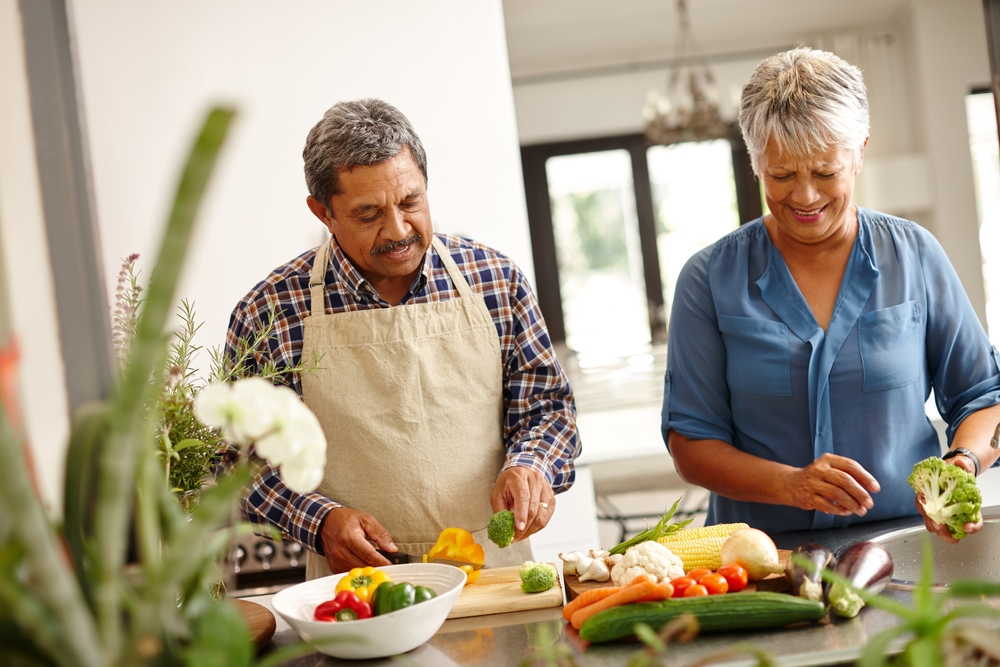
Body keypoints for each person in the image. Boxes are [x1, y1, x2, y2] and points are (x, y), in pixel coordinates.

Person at [227, 98, 580, 578]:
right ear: (323, 212)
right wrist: (321, 522)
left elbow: (548, 410)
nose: (398, 230)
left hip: (491, 571)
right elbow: (245, 465)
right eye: (368, 214)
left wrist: (532, 465)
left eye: (410, 201)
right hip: (356, 587)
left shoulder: (496, 280)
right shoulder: (267, 313)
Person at [661, 47, 1000, 543]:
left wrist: (962, 462)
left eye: (824, 172)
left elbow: (984, 398)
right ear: (755, 163)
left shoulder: (915, 255)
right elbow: (691, 444)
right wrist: (791, 486)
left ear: (859, 151)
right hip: (761, 561)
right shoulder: (708, 278)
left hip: (904, 545)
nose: (804, 196)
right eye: (781, 175)